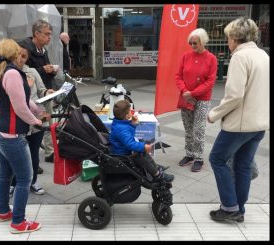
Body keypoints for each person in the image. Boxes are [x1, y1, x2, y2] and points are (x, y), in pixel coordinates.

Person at [207, 17, 269, 222]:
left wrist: (214, 114)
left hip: (239, 125)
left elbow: (235, 96)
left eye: (228, 37)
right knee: (243, 165)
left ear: (235, 37)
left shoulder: (240, 57)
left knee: (217, 159)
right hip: (259, 124)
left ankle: (229, 207)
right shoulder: (263, 55)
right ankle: (238, 208)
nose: (227, 42)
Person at [0, 38, 45, 233]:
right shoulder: (12, 73)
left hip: (0, 130)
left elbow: (23, 100)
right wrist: (34, 121)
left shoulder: (2, 70)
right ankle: (18, 223)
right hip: (10, 134)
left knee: (5, 174)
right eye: (19, 52)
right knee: (25, 178)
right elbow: (20, 106)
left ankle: (3, 211)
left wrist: (38, 112)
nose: (22, 54)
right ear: (13, 52)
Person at [9, 41, 53, 197]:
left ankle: (33, 181)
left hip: (36, 121)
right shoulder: (9, 73)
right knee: (17, 155)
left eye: (24, 56)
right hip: (18, 122)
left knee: (34, 154)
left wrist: (48, 92)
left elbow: (41, 90)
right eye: (18, 55)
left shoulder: (32, 72)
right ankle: (13, 183)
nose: (21, 58)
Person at [175, 28, 217, 172]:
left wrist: (192, 93)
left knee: (198, 129)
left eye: (195, 43)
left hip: (202, 99)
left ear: (203, 42)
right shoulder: (185, 56)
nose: (193, 46)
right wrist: (184, 91)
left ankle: (198, 157)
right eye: (191, 43)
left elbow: (210, 82)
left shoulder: (211, 58)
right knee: (188, 128)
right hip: (186, 97)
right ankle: (190, 154)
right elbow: (178, 76)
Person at [109, 100, 174, 182]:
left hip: (124, 150)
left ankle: (154, 168)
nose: (131, 112)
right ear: (126, 116)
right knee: (140, 156)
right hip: (123, 155)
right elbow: (130, 144)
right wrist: (143, 146)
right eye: (130, 111)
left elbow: (128, 133)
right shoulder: (121, 129)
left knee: (143, 151)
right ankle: (157, 175)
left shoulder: (120, 123)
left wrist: (132, 124)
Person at [23, 19, 56, 162]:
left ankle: (49, 152)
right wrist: (42, 69)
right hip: (32, 96)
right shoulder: (25, 49)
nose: (49, 37)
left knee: (49, 122)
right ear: (36, 33)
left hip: (44, 91)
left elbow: (42, 71)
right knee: (34, 126)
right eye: (47, 34)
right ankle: (31, 158)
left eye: (50, 34)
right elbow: (24, 72)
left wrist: (52, 71)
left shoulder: (43, 49)